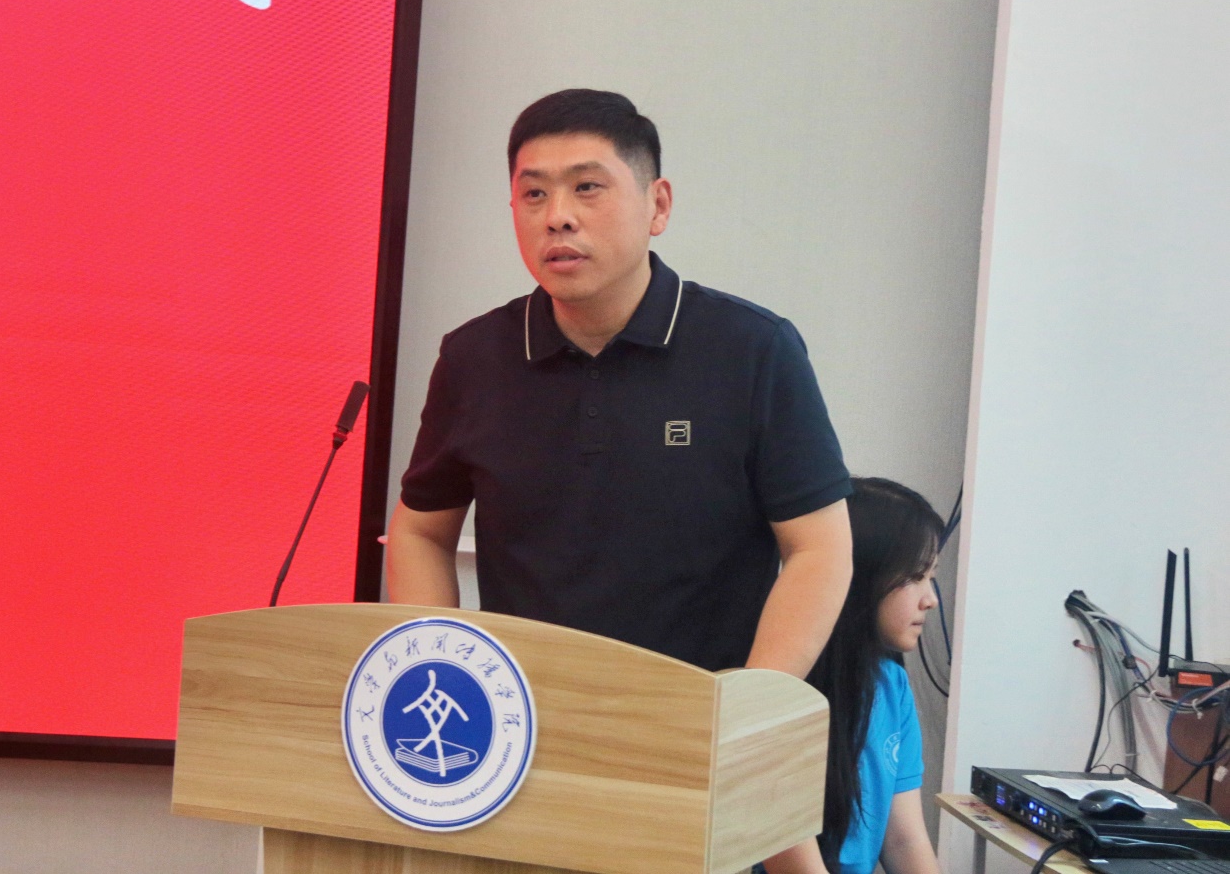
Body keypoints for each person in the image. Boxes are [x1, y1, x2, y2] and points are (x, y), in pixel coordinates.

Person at [386, 89, 853, 678]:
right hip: (522, 715)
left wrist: (754, 701)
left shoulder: (753, 349)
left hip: (697, 709)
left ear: (658, 205)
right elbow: (421, 533)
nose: (557, 216)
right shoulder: (473, 357)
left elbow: (819, 547)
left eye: (587, 187)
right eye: (534, 193)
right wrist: (440, 667)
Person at [760, 476, 945, 874]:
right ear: (860, 575)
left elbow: (904, 840)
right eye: (915, 576)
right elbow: (782, 848)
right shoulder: (783, 690)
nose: (930, 599)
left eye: (931, 577)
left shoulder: (893, 687)